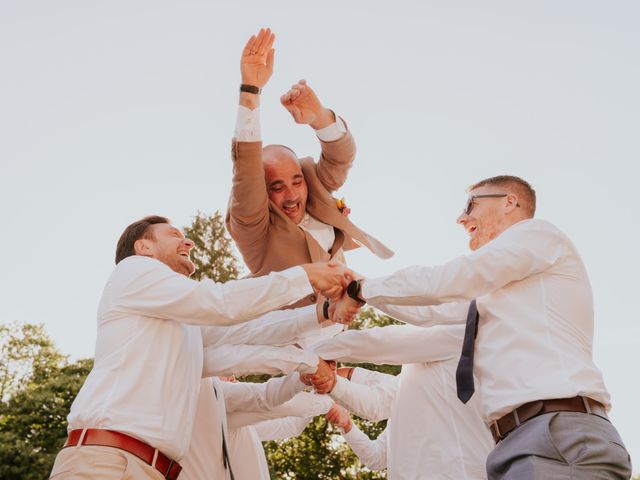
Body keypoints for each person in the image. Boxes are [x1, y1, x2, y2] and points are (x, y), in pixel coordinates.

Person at [331, 176, 632, 479]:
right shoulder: (495, 294)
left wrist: (361, 289)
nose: (462, 218)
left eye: (471, 204)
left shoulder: (538, 235)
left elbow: (452, 280)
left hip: (557, 433)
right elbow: (428, 309)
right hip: (516, 440)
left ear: (509, 202)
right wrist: (351, 281)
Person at [48, 215, 350, 480]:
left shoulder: (181, 325)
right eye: (175, 235)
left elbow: (247, 330)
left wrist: (322, 315)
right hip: (108, 462)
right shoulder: (134, 270)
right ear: (144, 248)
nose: (188, 241)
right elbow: (222, 303)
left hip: (149, 468)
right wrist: (307, 276)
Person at [226, 28, 393, 291]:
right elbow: (245, 169)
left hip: (339, 326)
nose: (292, 196)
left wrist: (319, 117)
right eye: (277, 187)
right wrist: (251, 89)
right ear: (263, 193)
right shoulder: (253, 228)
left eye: (296, 181)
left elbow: (341, 157)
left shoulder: (315, 194)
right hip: (286, 328)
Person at [315, 320, 493, 479]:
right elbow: (376, 458)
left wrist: (314, 358)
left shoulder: (448, 331)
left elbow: (383, 343)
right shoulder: (410, 392)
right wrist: (347, 425)